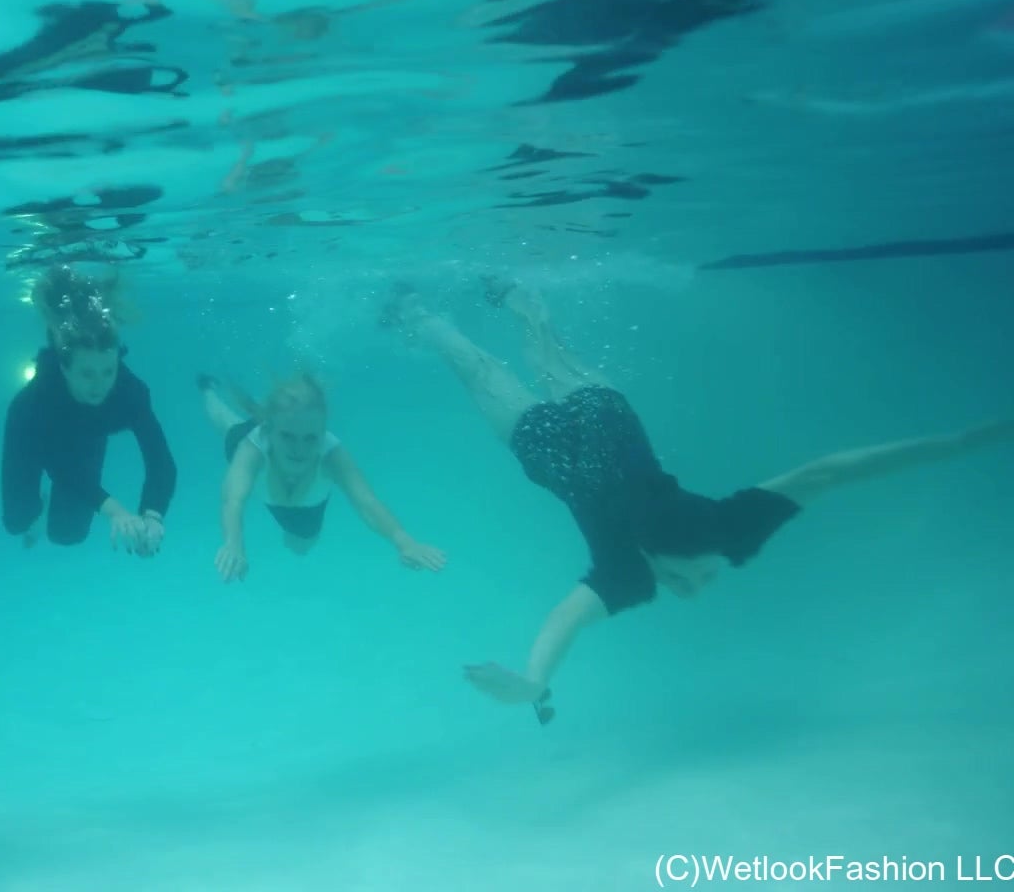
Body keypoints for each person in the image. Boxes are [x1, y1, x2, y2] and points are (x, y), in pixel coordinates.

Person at [385, 277, 1013, 724]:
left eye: (684, 589)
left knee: (477, 370)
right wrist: (952, 444)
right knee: (548, 355)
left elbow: (564, 623)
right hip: (608, 421)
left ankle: (415, 312)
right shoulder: (727, 530)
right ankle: (523, 301)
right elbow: (824, 474)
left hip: (549, 456)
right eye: (697, 584)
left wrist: (533, 685)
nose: (697, 588)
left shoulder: (628, 579)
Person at [198, 373, 446, 582]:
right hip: (263, 459)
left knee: (300, 546)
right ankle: (208, 390)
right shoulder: (252, 448)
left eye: (311, 438)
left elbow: (366, 502)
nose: (299, 449)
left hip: (304, 507)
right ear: (269, 430)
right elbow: (233, 500)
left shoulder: (332, 455)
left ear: (322, 432)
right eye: (288, 437)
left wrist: (404, 542)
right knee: (228, 425)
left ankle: (260, 416)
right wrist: (234, 544)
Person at [2, 265, 176, 555]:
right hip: (31, 431)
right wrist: (116, 511)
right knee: (17, 520)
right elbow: (59, 466)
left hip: (86, 429)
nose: (99, 385)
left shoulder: (131, 393)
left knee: (68, 534)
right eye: (87, 374)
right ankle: (37, 511)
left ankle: (49, 517)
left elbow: (161, 461)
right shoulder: (38, 400)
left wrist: (153, 516)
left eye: (108, 371)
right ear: (65, 368)